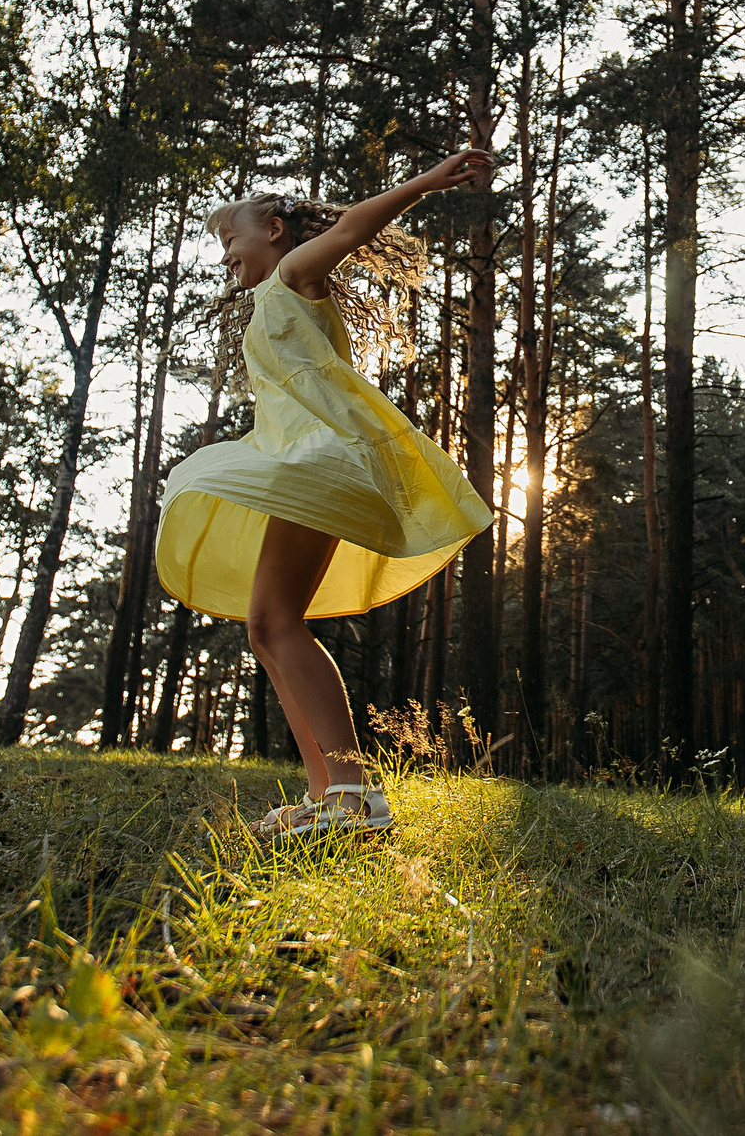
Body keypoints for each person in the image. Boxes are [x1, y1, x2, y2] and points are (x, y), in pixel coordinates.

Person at [152, 149, 494, 842]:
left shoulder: (291, 273)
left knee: (276, 622)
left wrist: (427, 181)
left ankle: (351, 795)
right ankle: (328, 793)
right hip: (303, 460)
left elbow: (350, 228)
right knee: (268, 624)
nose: (224, 257)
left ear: (275, 230)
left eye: (229, 239)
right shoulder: (270, 298)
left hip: (322, 462)